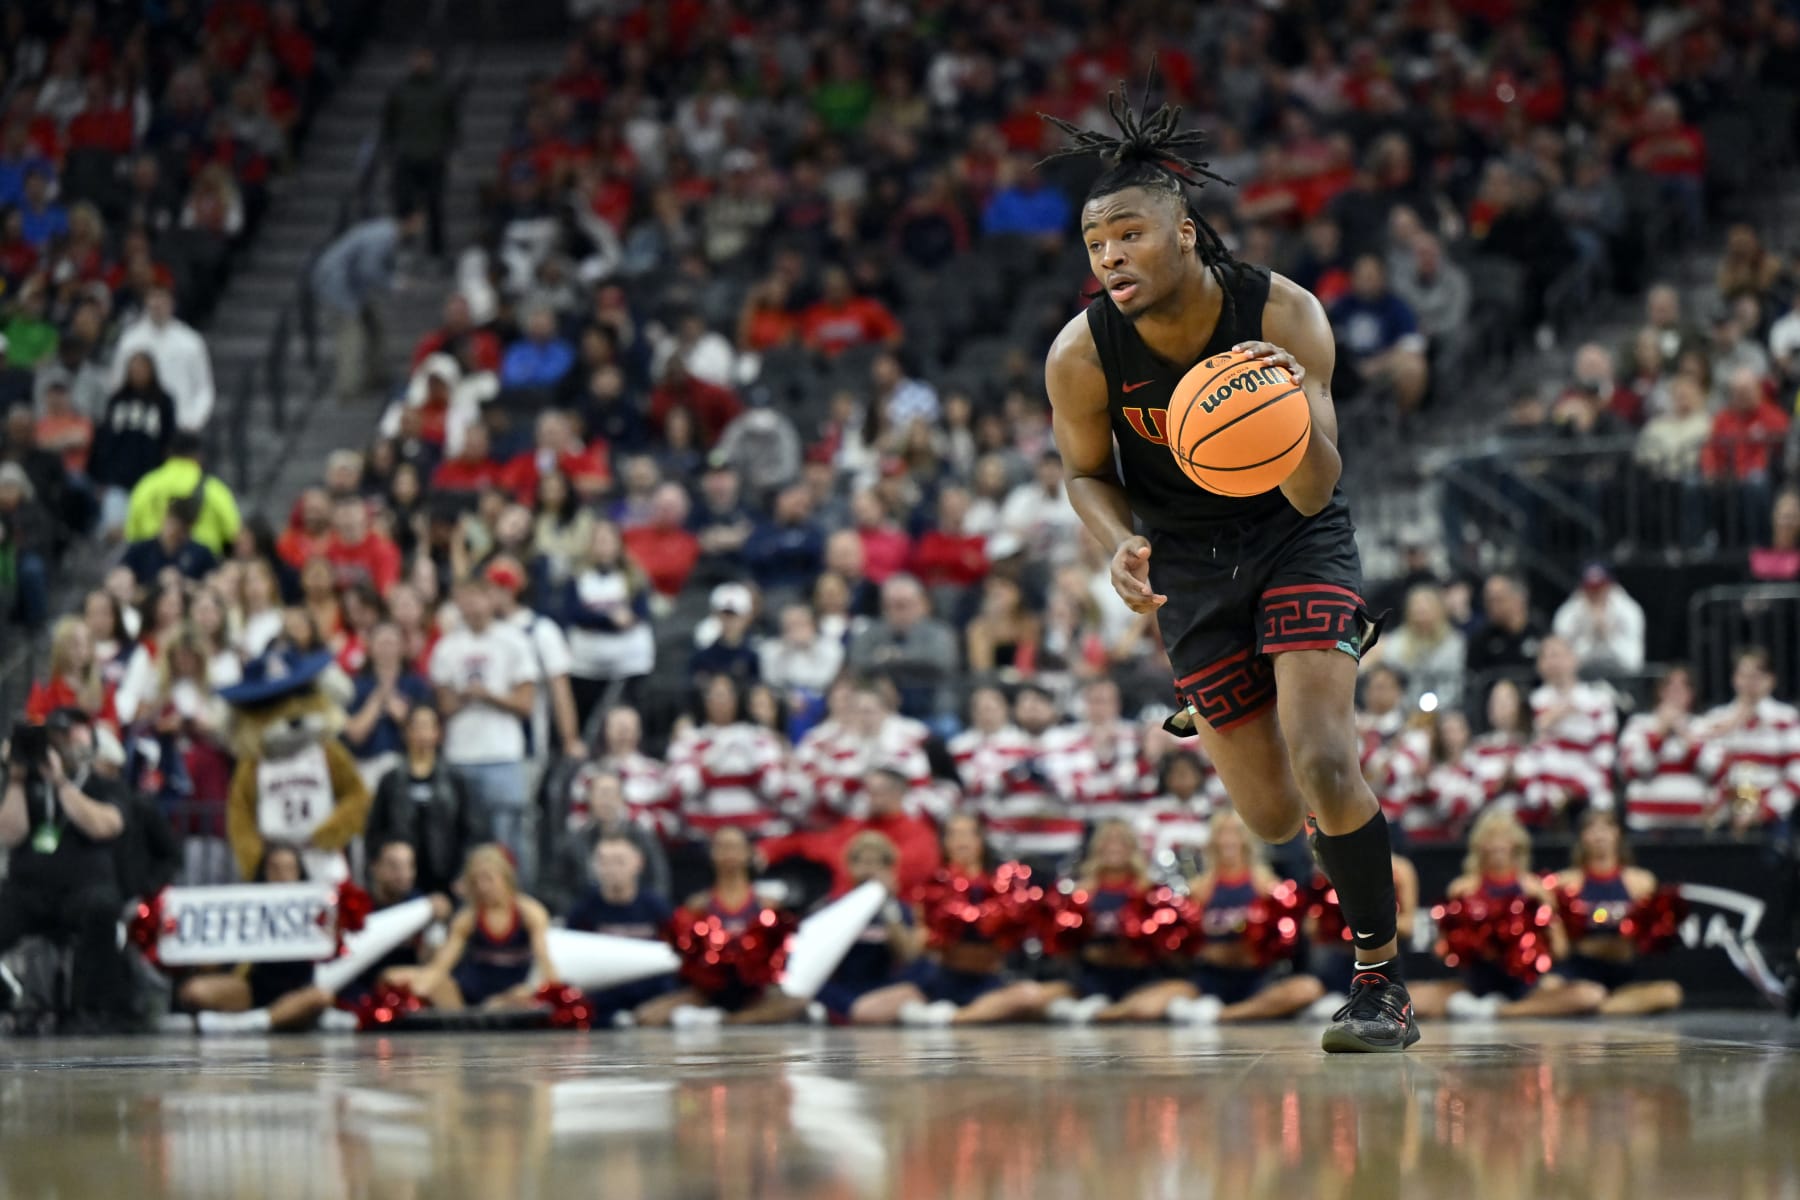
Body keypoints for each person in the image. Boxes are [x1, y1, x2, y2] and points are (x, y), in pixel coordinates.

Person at [1040, 87, 1415, 1050]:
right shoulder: (1083, 355)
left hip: (1296, 535)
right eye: (1096, 245)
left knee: (1327, 757)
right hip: (1189, 564)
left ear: (1185, 235)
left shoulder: (1282, 312)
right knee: (1274, 813)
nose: (1111, 256)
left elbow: (1315, 482)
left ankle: (1379, 982)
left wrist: (1273, 419)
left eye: (1128, 233)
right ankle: (1221, 709)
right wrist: (1113, 541)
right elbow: (1083, 473)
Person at [0, 708, 132, 1030]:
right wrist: (17, 780)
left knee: (101, 909)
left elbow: (105, 826)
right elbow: (8, 833)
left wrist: (61, 783)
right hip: (29, 891)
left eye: (65, 738)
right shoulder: (21, 783)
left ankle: (88, 1010)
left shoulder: (103, 784)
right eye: (53, 739)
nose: (58, 746)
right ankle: (11, 1000)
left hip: (84, 888)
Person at [1407, 811, 1605, 1021]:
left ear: (1516, 844)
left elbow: (1560, 949)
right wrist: (1472, 943)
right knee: (1408, 999)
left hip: (1525, 987)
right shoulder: (1463, 889)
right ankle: (1474, 1005)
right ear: (1479, 846)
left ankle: (1499, 1011)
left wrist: (1527, 943)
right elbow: (1442, 950)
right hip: (1477, 981)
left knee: (1589, 995)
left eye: (1503, 838)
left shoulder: (1535, 889)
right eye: (1490, 838)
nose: (1497, 845)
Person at [429, 575, 538, 878]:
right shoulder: (447, 648)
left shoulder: (514, 641)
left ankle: (519, 904)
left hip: (503, 754)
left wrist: (487, 695)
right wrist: (466, 697)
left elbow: (526, 703)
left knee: (509, 837)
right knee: (463, 836)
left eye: (479, 597)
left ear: (492, 599)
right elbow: (444, 705)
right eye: (466, 598)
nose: (473, 605)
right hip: (460, 755)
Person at [388, 845, 558, 1011]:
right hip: (469, 996)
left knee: (525, 994)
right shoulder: (467, 918)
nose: (482, 887)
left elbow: (544, 962)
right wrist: (417, 985)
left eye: (488, 879)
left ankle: (495, 1007)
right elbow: (440, 967)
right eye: (476, 881)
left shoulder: (530, 913)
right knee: (394, 976)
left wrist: (556, 995)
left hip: (512, 995)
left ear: (506, 878)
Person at [1547, 811, 1684, 1016]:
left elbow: (1650, 939)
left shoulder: (1640, 881)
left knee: (1671, 993)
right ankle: (1588, 1001)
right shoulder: (1565, 882)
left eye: (1606, 828)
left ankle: (1596, 1005)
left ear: (1617, 833)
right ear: (1582, 836)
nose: (1599, 836)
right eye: (1591, 829)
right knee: (1548, 987)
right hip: (1580, 968)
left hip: (1623, 969)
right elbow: (1559, 946)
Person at [365, 704, 488, 917]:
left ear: (438, 733)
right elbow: (375, 832)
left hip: (447, 877)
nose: (422, 733)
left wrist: (464, 874)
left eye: (428, 726)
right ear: (406, 733)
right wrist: (386, 866)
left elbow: (473, 831)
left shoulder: (455, 780)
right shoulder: (391, 780)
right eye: (416, 726)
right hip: (401, 882)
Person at [311, 212, 426, 405]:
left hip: (354, 287)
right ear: (411, 220)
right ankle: (348, 389)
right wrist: (396, 283)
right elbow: (368, 269)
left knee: (375, 328)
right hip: (337, 286)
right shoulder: (383, 236)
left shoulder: (387, 233)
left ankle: (376, 376)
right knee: (352, 336)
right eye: (421, 223)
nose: (422, 230)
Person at [564, 833, 677, 1024]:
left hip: (651, 994)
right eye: (604, 862)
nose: (611, 869)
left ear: (638, 863)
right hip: (603, 999)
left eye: (619, 861)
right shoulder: (584, 909)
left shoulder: (656, 907)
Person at [1693, 647, 1800, 835]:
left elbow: (1796, 773)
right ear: (1734, 679)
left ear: (1770, 680)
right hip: (1724, 817)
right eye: (1744, 675)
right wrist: (1734, 723)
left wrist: (1764, 810)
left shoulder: (1787, 719)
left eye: (1756, 675)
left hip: (1772, 820)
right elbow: (1707, 766)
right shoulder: (1717, 718)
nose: (1750, 683)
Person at [383, 47, 457, 260]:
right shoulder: (399, 89)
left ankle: (436, 250)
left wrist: (449, 151)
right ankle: (403, 247)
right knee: (403, 203)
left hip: (434, 154)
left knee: (434, 204)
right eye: (417, 58)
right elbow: (389, 122)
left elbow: (451, 123)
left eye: (425, 58)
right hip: (406, 153)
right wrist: (391, 149)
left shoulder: (443, 90)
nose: (420, 63)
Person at [107, 285, 213, 432]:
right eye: (154, 297)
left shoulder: (191, 342)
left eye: (163, 298)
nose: (158, 304)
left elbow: (203, 389)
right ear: (146, 301)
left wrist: (194, 420)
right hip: (140, 427)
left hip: (182, 425)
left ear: (172, 302)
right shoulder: (130, 341)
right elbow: (117, 383)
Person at [1618, 666, 1707, 833]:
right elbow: (1632, 768)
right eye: (1670, 687)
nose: (1676, 693)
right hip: (1645, 822)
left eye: (1683, 688)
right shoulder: (1638, 724)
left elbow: (1712, 768)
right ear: (1660, 692)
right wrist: (1658, 735)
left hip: (1692, 824)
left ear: (1691, 694)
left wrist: (1685, 736)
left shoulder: (1702, 726)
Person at [123, 430, 240, 556]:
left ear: (168, 453)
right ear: (199, 456)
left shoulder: (147, 485)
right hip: (203, 568)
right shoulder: (214, 489)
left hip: (151, 565)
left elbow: (131, 533)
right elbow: (234, 534)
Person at [1550, 563, 1646, 677]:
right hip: (1579, 680)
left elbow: (1633, 663)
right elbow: (1561, 663)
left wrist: (1607, 636)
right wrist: (1590, 636)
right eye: (1590, 588)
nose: (1595, 593)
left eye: (1600, 588)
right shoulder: (1568, 614)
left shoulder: (1629, 611)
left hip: (1621, 678)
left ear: (1610, 586)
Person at [121, 493, 217, 585]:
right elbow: (122, 579)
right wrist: (155, 585)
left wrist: (182, 583)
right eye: (171, 522)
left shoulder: (201, 554)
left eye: (179, 528)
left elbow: (212, 586)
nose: (171, 530)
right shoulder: (141, 550)